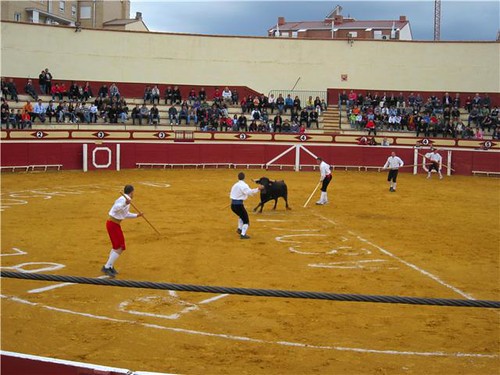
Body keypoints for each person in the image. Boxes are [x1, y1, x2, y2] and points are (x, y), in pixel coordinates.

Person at [102, 185, 143, 277]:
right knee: (120, 247)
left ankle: (110, 266)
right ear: (131, 192)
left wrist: (137, 215)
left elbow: (125, 214)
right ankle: (107, 267)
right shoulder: (124, 199)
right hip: (113, 224)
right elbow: (117, 208)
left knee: (116, 247)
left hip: (114, 224)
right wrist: (125, 203)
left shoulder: (125, 199)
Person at [229, 172, 263, 239]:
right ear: (244, 178)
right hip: (239, 205)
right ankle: (243, 234)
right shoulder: (244, 185)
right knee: (246, 221)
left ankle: (239, 228)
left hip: (233, 205)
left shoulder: (235, 185)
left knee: (241, 216)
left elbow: (233, 194)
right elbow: (250, 192)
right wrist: (258, 189)